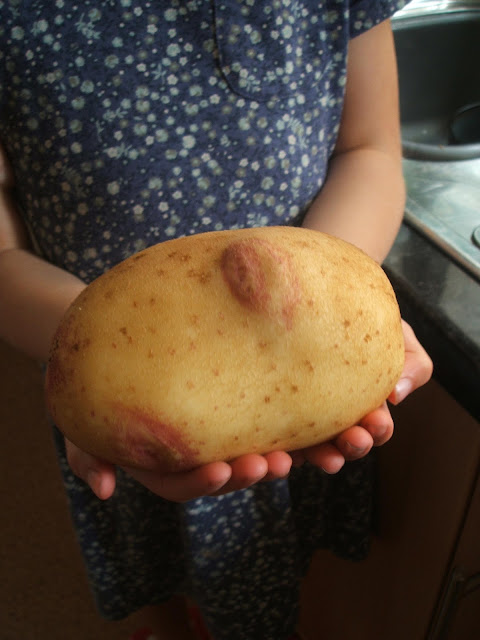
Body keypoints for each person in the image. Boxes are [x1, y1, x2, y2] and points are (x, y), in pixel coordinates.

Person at [0, 1, 433, 639]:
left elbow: (369, 148)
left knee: (272, 560)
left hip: (299, 366)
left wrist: (322, 302)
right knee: (142, 543)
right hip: (116, 383)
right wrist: (86, 360)